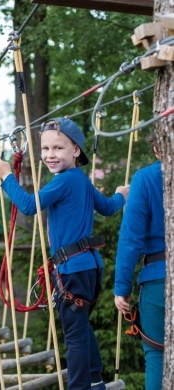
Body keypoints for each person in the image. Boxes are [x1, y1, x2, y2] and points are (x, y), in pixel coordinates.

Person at [0, 117, 129, 390]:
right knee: (80, 325)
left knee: (75, 334)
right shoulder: (82, 181)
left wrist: (7, 177)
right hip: (87, 267)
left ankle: (81, 387)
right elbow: (108, 207)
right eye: (45, 149)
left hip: (72, 269)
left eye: (58, 148)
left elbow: (30, 206)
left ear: (76, 150)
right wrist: (121, 195)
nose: (49, 155)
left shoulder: (64, 181)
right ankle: (94, 380)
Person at [114, 133, 165, 390]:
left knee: (157, 355)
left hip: (158, 280)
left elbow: (131, 238)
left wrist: (122, 288)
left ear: (157, 148)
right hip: (158, 276)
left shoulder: (145, 179)